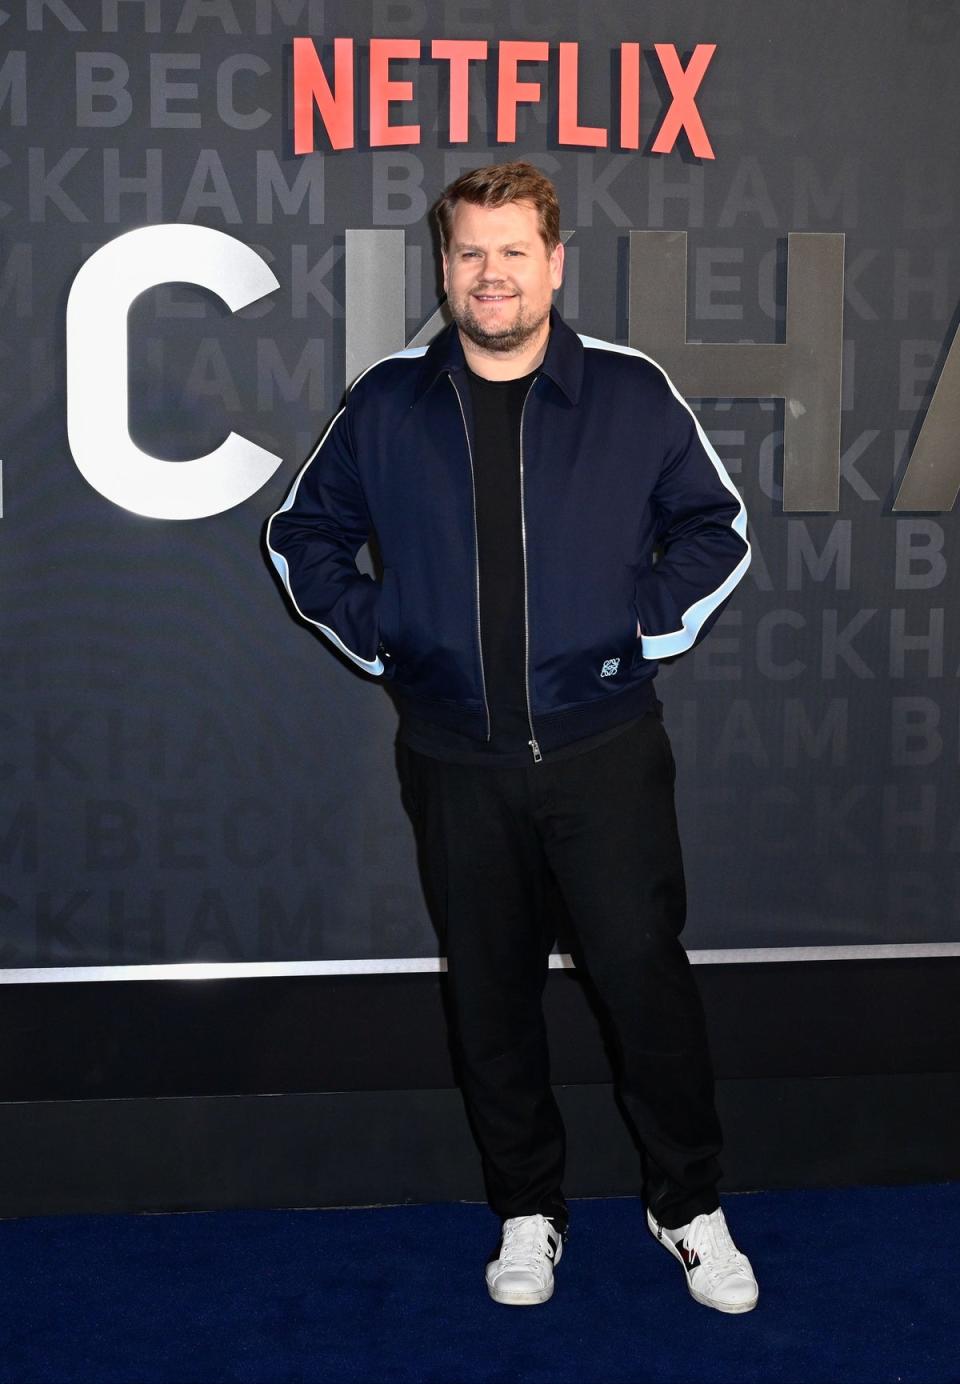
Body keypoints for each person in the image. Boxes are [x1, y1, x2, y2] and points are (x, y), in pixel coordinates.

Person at [266, 161, 758, 1314]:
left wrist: (631, 629)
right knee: (488, 999)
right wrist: (396, 640)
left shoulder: (630, 393)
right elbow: (302, 536)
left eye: (514, 251)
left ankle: (688, 1205)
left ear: (555, 263)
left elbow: (717, 526)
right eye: (470, 253)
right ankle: (527, 1208)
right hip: (456, 764)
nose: (492, 274)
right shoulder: (389, 399)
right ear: (446, 267)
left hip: (605, 757)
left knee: (646, 991)